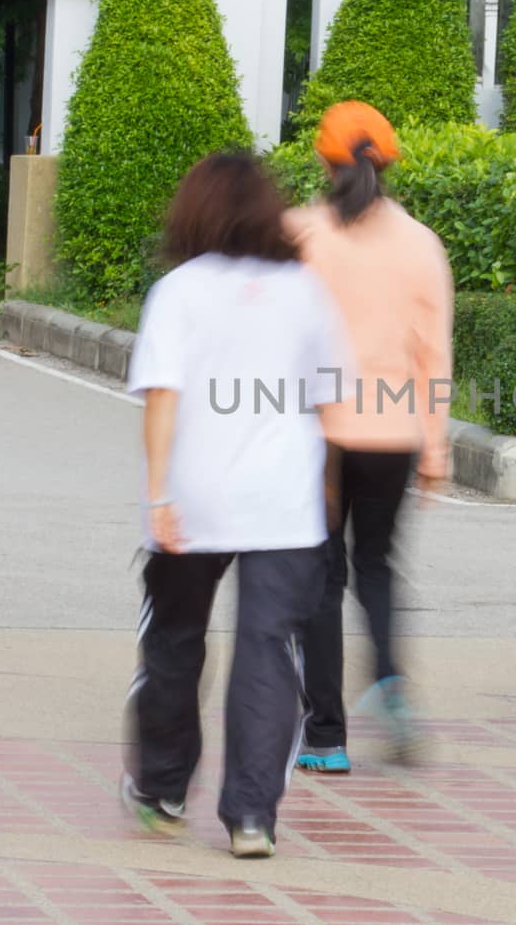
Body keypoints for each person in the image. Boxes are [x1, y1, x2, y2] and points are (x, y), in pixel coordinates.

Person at [121, 153, 351, 859]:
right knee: (267, 651)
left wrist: (158, 491)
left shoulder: (179, 291)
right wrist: (327, 490)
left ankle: (161, 788)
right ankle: (252, 815)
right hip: (285, 499)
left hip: (195, 496)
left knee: (173, 641)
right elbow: (329, 400)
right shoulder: (304, 290)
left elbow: (163, 396)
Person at [287, 102, 454, 773]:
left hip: (318, 436)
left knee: (320, 579)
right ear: (386, 164)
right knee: (377, 566)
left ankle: (326, 737)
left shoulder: (298, 234)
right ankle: (387, 677)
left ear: (324, 163)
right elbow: (432, 356)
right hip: (395, 434)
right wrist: (435, 447)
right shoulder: (421, 243)